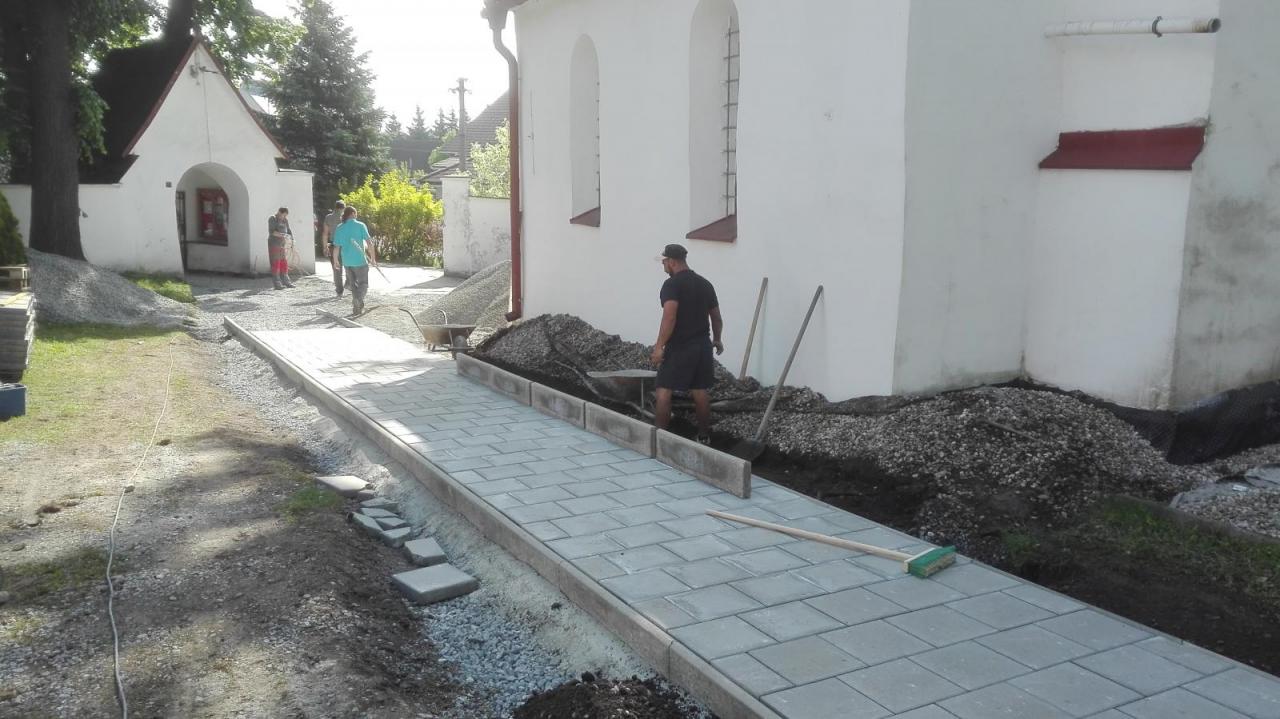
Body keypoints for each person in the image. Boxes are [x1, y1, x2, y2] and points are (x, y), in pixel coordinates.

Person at [650, 243, 723, 443]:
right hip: (702, 346)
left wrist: (659, 347)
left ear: (672, 262)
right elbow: (716, 318)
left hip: (680, 346)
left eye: (664, 261)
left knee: (664, 389)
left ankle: (659, 438)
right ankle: (704, 437)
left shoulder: (672, 285)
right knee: (700, 390)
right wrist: (717, 339)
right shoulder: (705, 284)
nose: (663, 265)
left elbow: (670, 317)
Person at [331, 205, 376, 316]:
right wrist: (373, 258)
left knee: (353, 285)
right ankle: (358, 300)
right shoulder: (360, 225)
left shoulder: (340, 227)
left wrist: (335, 260)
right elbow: (369, 243)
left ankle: (357, 308)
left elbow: (336, 247)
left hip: (347, 262)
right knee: (363, 284)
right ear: (352, 214)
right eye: (356, 213)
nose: (356, 215)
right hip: (360, 261)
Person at [322, 200, 346, 297]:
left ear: (335, 207)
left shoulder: (328, 217)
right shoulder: (345, 217)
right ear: (343, 208)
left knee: (336, 268)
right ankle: (349, 284)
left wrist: (325, 247)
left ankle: (339, 290)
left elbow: (325, 233)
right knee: (349, 266)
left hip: (333, 244)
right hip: (345, 245)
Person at [267, 207, 295, 290]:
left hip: (282, 244)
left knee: (283, 262)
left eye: (285, 216)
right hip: (274, 243)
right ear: (279, 212)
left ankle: (287, 282)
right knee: (276, 263)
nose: (284, 217)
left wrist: (292, 239)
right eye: (283, 215)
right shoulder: (272, 218)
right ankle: (277, 283)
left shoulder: (285, 220)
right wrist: (282, 235)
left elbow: (288, 230)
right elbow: (272, 232)